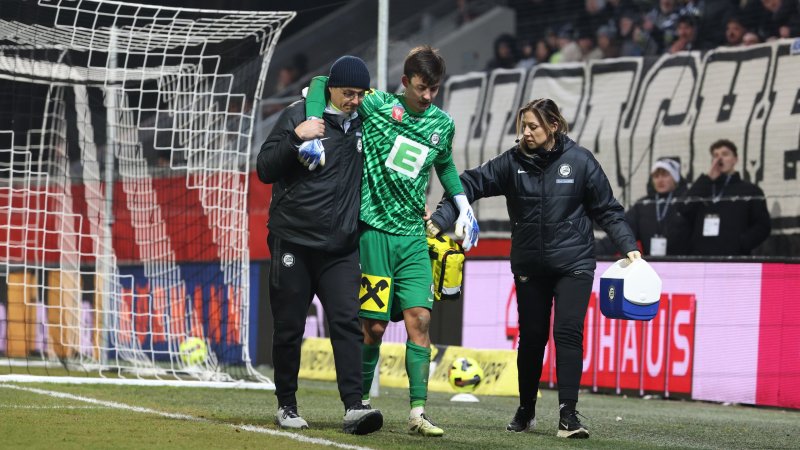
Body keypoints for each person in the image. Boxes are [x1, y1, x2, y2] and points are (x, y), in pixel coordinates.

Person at [428, 98, 640, 439]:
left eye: (533, 126)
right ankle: (526, 410)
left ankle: (568, 416)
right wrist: (441, 219)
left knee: (568, 334)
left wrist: (629, 248)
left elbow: (609, 210)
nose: (525, 133)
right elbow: (466, 184)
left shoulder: (581, 161)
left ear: (553, 126)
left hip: (575, 264)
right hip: (530, 266)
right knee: (531, 340)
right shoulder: (511, 164)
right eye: (522, 126)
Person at [303, 46, 479, 438]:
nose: (428, 96)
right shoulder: (378, 105)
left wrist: (463, 204)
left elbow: (445, 163)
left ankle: (417, 413)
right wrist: (314, 120)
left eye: (434, 88)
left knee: (421, 320)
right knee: (374, 329)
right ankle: (358, 406)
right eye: (422, 88)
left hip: (414, 239)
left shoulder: (442, 123)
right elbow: (319, 82)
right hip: (374, 236)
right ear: (405, 83)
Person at [256, 55, 383, 435]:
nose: (354, 100)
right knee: (290, 327)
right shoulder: (299, 114)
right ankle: (287, 405)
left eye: (360, 94)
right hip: (292, 239)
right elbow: (264, 168)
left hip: (340, 246)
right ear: (331, 89)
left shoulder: (365, 124)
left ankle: (355, 406)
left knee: (346, 321)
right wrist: (297, 139)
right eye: (348, 93)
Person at [681, 139, 771, 256]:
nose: (719, 159)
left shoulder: (750, 190)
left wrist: (740, 244)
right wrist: (707, 178)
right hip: (701, 256)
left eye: (725, 154)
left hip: (733, 257)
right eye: (715, 155)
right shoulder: (703, 187)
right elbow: (683, 208)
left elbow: (763, 226)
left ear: (735, 159)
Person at [621, 157, 689, 256]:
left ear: (675, 178)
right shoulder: (642, 205)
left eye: (665, 175)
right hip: (651, 264)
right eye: (656, 176)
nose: (660, 180)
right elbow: (623, 230)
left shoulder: (686, 202)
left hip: (683, 264)